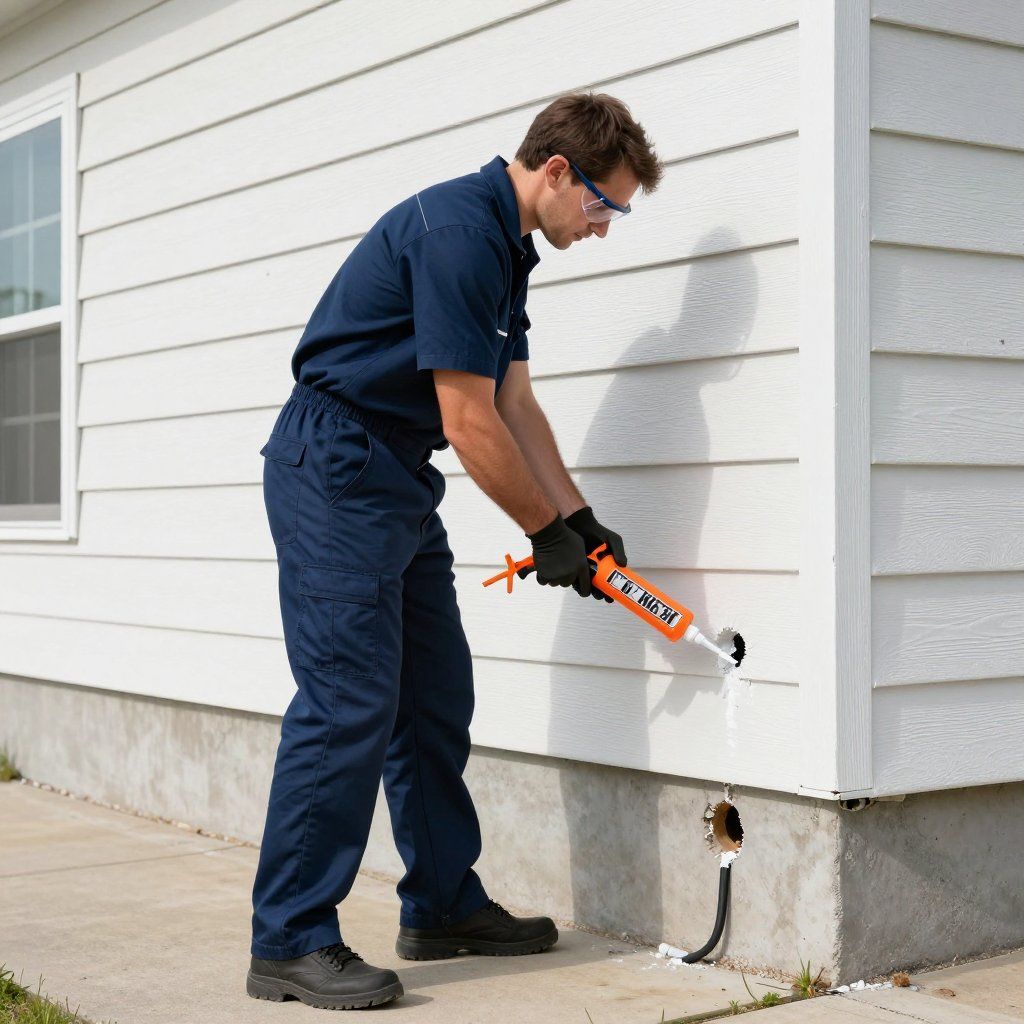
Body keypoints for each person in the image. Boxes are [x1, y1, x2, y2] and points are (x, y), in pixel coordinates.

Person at [246, 90, 664, 1010]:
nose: (604, 226)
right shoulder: (459, 233)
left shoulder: (508, 249)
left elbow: (515, 403)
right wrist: (542, 536)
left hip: (394, 471)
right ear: (557, 170)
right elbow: (468, 422)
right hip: (338, 462)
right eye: (604, 203)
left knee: (434, 695)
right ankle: (288, 938)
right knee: (348, 698)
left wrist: (580, 522)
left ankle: (440, 903)